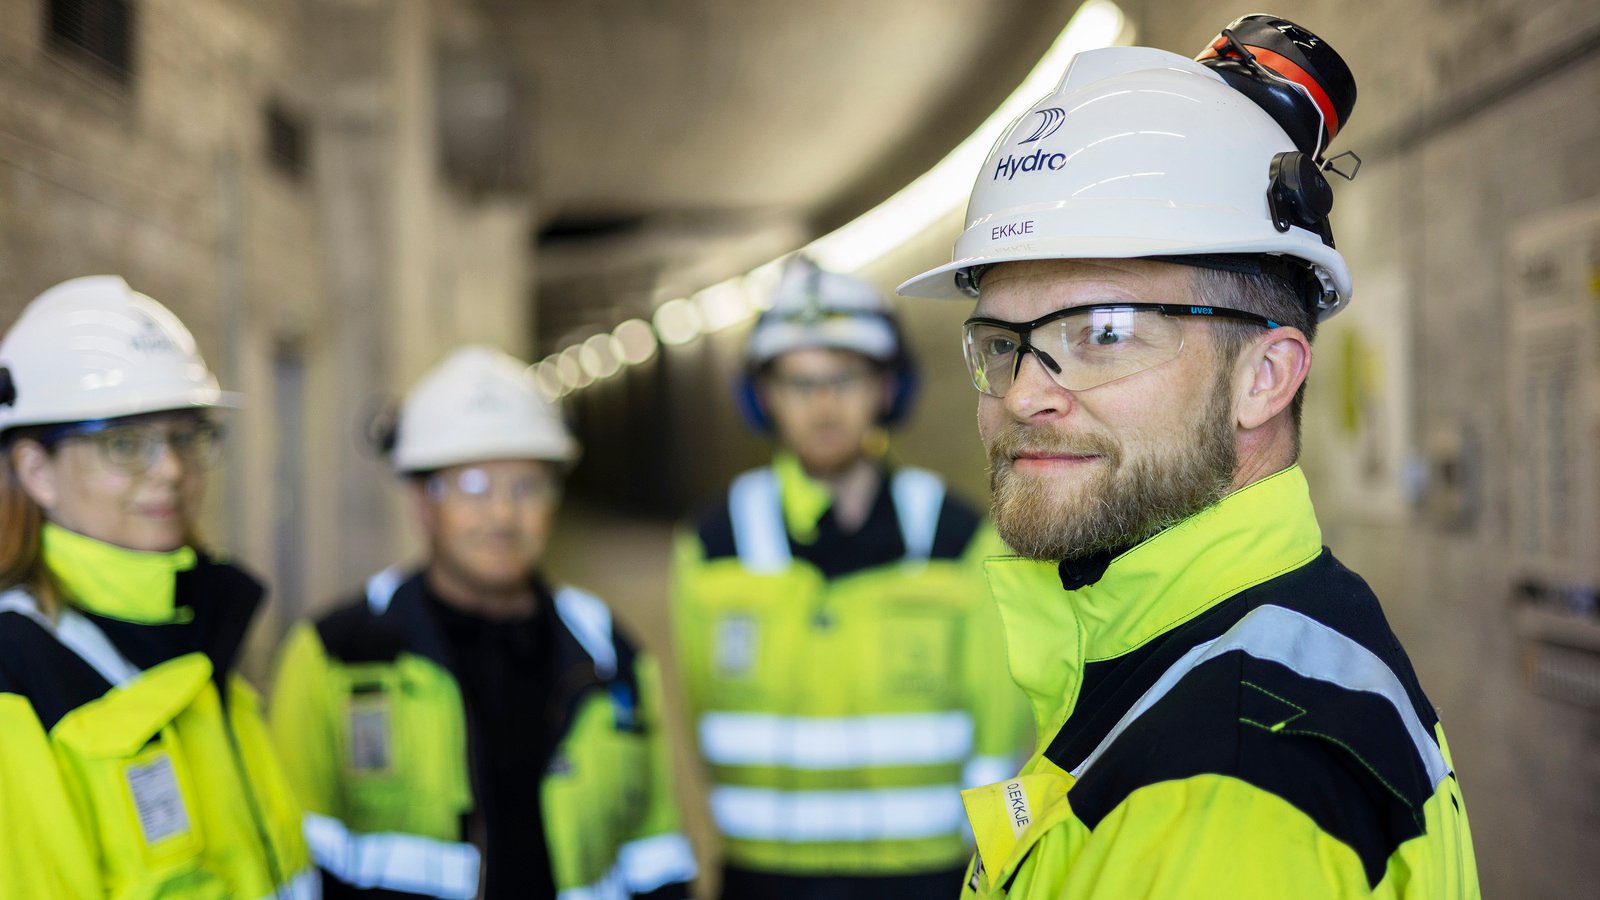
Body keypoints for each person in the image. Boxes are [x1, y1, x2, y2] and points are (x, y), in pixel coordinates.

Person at [896, 14, 1479, 899]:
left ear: (1265, 376)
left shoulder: (1229, 792)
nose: (1021, 394)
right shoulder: (1213, 653)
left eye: (1103, 332)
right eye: (1003, 342)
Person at [269, 346, 695, 899]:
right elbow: (293, 864)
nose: (502, 515)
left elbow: (656, 857)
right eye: (473, 486)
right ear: (422, 500)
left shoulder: (610, 655)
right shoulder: (336, 656)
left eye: (526, 487)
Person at [672, 257, 1028, 899]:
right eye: (798, 382)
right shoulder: (712, 544)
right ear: (762, 396)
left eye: (846, 377)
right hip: (761, 881)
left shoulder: (960, 539)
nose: (825, 404)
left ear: (887, 389)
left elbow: (999, 734)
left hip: (929, 878)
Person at [0, 275, 316, 898]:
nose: (171, 470)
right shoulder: (16, 672)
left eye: (183, 437)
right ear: (37, 471)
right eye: (125, 444)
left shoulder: (196, 629)